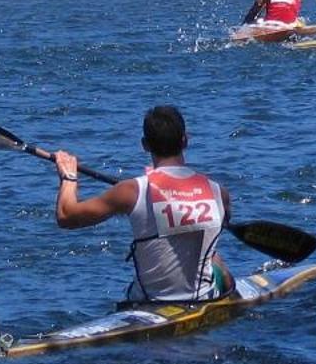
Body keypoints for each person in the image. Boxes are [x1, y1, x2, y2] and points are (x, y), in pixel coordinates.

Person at [53, 105, 233, 304]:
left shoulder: (131, 191)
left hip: (148, 303)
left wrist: (69, 176)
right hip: (202, 299)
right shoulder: (219, 193)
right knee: (214, 257)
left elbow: (65, 216)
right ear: (185, 141)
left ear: (145, 145)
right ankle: (230, 293)